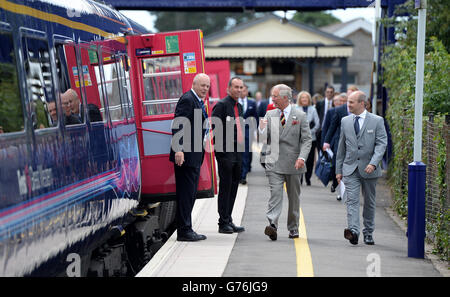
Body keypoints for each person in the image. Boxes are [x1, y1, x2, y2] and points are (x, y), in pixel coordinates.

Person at [260, 84, 312, 240]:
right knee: (275, 194)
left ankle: (293, 227)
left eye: (275, 96)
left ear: (285, 97)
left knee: (293, 197)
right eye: (272, 96)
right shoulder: (270, 114)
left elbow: (307, 140)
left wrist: (302, 158)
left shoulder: (300, 116)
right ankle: (273, 225)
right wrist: (262, 129)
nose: (273, 99)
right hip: (274, 162)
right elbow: (264, 138)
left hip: (294, 163)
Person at [336, 91, 387, 245]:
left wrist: (373, 163)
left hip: (369, 169)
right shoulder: (345, 121)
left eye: (351, 102)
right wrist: (338, 170)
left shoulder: (377, 121)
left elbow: (382, 144)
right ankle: (354, 231)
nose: (348, 104)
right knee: (351, 200)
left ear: (362, 103)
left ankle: (368, 232)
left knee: (369, 202)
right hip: (350, 168)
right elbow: (341, 147)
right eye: (348, 102)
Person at [169, 73, 210, 242]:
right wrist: (178, 150)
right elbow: (178, 124)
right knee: (186, 194)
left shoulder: (197, 101)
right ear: (194, 84)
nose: (205, 89)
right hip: (185, 155)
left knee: (190, 193)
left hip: (193, 155)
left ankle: (187, 228)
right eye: (202, 85)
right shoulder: (187, 99)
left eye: (207, 86)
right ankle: (184, 231)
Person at [211, 77, 246, 234]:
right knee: (225, 187)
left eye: (241, 87)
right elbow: (214, 128)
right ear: (229, 88)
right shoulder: (221, 105)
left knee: (234, 187)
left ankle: (229, 218)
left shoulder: (240, 106)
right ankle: (222, 222)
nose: (239, 90)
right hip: (226, 153)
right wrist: (222, 152)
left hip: (238, 152)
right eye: (236, 87)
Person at [321, 93, 348, 197]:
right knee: (337, 166)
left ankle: (344, 190)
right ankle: (339, 188)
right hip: (338, 142)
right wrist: (326, 141)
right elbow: (330, 127)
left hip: (351, 144)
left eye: (343, 101)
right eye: (339, 101)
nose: (341, 103)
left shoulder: (353, 111)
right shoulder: (336, 111)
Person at [296, 91, 319, 186]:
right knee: (300, 158)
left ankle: (308, 178)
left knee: (309, 159)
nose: (304, 99)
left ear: (309, 99)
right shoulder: (296, 108)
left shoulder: (313, 109)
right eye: (302, 98)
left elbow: (318, 123)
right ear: (300, 99)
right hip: (298, 139)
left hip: (311, 138)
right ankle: (299, 178)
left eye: (306, 98)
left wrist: (310, 132)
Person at [239, 84, 258, 184]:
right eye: (240, 90)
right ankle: (238, 174)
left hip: (247, 131)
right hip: (236, 131)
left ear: (247, 91)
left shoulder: (252, 103)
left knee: (246, 153)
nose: (242, 92)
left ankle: (243, 176)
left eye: (244, 90)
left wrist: (256, 131)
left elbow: (256, 117)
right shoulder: (234, 102)